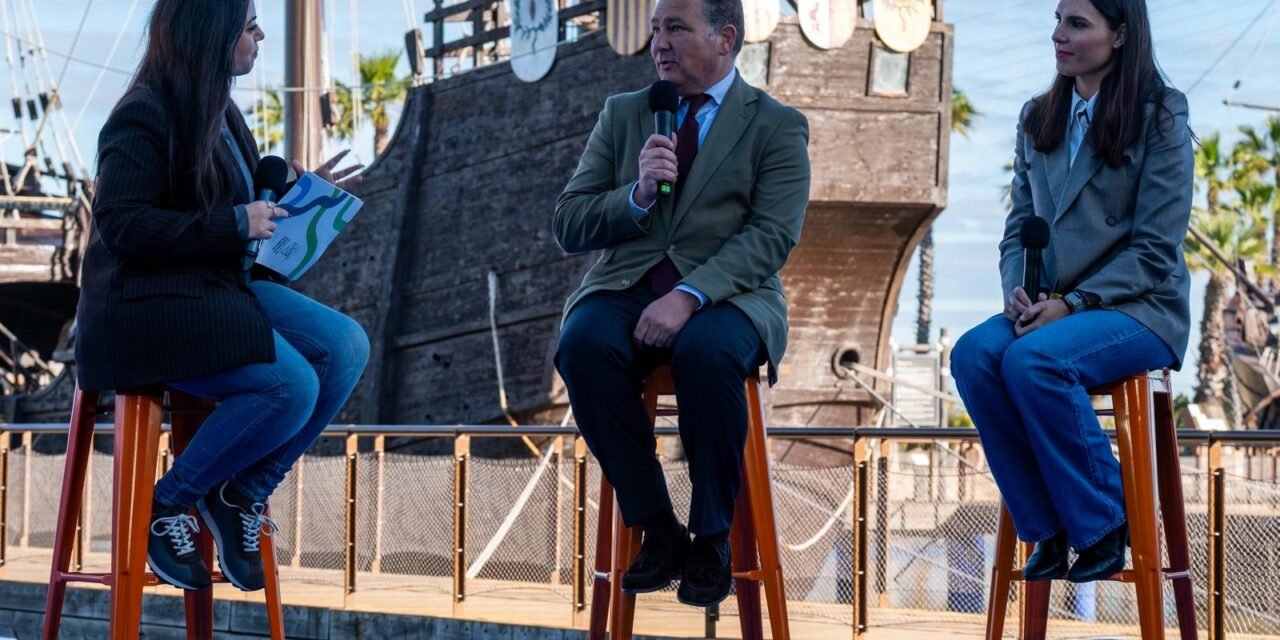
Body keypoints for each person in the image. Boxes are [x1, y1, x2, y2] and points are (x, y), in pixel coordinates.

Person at [75, 0, 369, 592]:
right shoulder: (143, 114)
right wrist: (235, 222)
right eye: (247, 23)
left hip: (215, 287)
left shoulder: (224, 115)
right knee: (289, 384)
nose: (259, 33)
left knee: (345, 344)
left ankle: (240, 493)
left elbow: (233, 214)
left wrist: (303, 198)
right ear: (210, 32)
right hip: (146, 305)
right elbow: (123, 224)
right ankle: (167, 505)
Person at [552, 0, 810, 607]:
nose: (658, 43)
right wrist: (637, 194)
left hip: (732, 295)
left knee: (708, 351)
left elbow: (772, 236)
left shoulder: (776, 124)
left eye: (675, 28)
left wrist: (691, 295)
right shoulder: (625, 115)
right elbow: (569, 223)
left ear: (724, 38)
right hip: (627, 286)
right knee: (582, 345)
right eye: (654, 29)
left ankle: (713, 536)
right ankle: (659, 529)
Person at [950, 0, 1192, 584]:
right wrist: (1020, 292)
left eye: (1077, 23)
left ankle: (1109, 520)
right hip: (1052, 303)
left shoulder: (1161, 115)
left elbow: (1156, 250)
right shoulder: (1039, 117)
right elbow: (1020, 227)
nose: (1058, 35)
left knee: (1035, 361)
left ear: (1121, 34)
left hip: (1140, 306)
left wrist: (1073, 304)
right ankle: (1050, 528)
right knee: (974, 354)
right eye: (1058, 21)